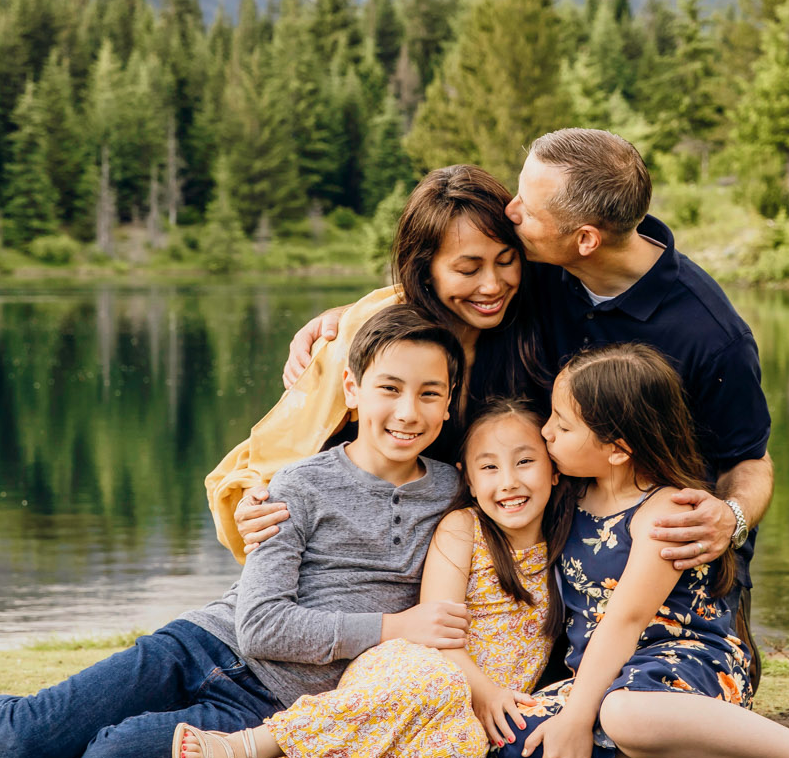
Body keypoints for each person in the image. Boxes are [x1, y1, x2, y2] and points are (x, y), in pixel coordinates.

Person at [0, 306, 473, 758]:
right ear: (354, 390)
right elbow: (261, 625)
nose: (407, 411)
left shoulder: (453, 494)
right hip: (201, 646)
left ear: (449, 403)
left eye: (428, 393)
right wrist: (393, 628)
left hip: (264, 707)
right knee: (32, 736)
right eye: (389, 388)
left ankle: (72, 736)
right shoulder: (297, 484)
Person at [270, 129, 772, 580]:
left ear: (585, 240)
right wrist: (350, 318)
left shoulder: (712, 335)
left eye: (528, 209)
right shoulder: (540, 263)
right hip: (537, 550)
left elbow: (748, 459)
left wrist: (732, 519)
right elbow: (442, 277)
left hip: (657, 563)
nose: (511, 211)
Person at [495, 343, 789, 758]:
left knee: (625, 714)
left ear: (617, 448)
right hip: (601, 678)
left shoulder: (665, 514)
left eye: (562, 425)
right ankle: (752, 753)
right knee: (518, 748)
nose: (545, 432)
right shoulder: (569, 496)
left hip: (688, 666)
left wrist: (578, 718)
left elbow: (626, 620)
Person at [170, 399, 571, 758]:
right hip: (418, 668)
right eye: (490, 467)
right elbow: (438, 633)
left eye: (525, 462)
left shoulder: (569, 541)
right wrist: (485, 693)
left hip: (470, 712)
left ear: (554, 469)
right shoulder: (463, 529)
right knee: (438, 683)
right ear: (467, 479)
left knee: (462, 752)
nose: (509, 482)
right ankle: (249, 746)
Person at [209, 164, 548, 559]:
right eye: (467, 269)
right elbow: (264, 459)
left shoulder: (534, 328)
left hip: (493, 564)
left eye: (506, 261)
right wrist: (253, 503)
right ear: (424, 271)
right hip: (362, 565)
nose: (492, 285)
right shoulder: (364, 334)